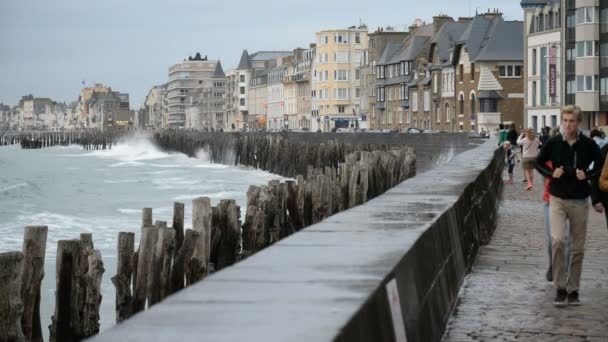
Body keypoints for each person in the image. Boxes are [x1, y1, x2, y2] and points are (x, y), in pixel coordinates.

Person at [535, 105, 603, 307]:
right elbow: (538, 162)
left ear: (578, 122)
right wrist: (550, 174)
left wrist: (588, 175)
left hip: (580, 201)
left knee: (578, 248)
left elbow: (601, 165)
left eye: (571, 121)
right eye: (564, 120)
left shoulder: (588, 144)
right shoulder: (554, 142)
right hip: (557, 199)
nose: (567, 124)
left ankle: (573, 290)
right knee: (557, 241)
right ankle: (560, 287)